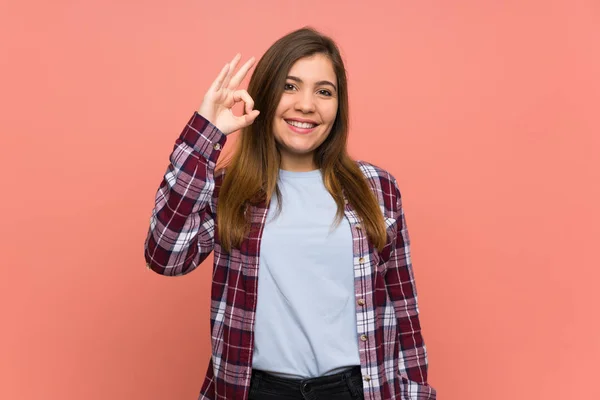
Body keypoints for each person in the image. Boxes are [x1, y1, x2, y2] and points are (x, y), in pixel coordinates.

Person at [144, 27, 436, 400]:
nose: (306, 105)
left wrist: (417, 394)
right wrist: (206, 134)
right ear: (265, 94)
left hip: (355, 390)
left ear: (338, 106)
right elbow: (164, 256)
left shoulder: (376, 188)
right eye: (290, 86)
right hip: (256, 390)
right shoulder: (228, 189)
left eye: (324, 91)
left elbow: (404, 309)